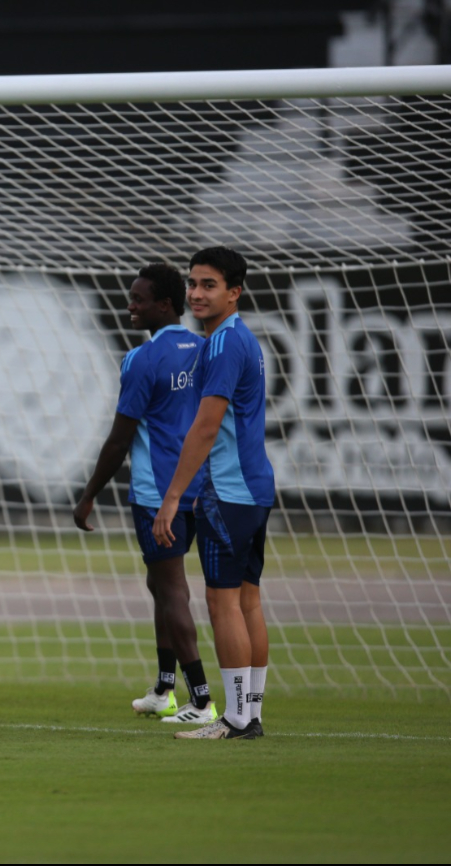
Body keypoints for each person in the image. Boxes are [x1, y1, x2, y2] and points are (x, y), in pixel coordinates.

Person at [74, 263, 215, 725]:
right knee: (160, 584)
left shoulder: (142, 359)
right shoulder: (206, 349)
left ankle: (201, 700)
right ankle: (164, 688)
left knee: (172, 590)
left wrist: (90, 492)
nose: (130, 306)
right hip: (203, 488)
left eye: (138, 299)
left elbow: (119, 438)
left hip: (159, 494)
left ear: (166, 305)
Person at [153, 247, 275, 741]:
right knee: (248, 602)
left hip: (228, 491)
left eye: (209, 285)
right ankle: (250, 714)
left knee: (223, 603)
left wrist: (172, 498)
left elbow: (206, 427)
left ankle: (237, 718)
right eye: (193, 283)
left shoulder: (225, 343)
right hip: (255, 488)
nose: (197, 293)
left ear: (234, 291)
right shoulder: (238, 339)